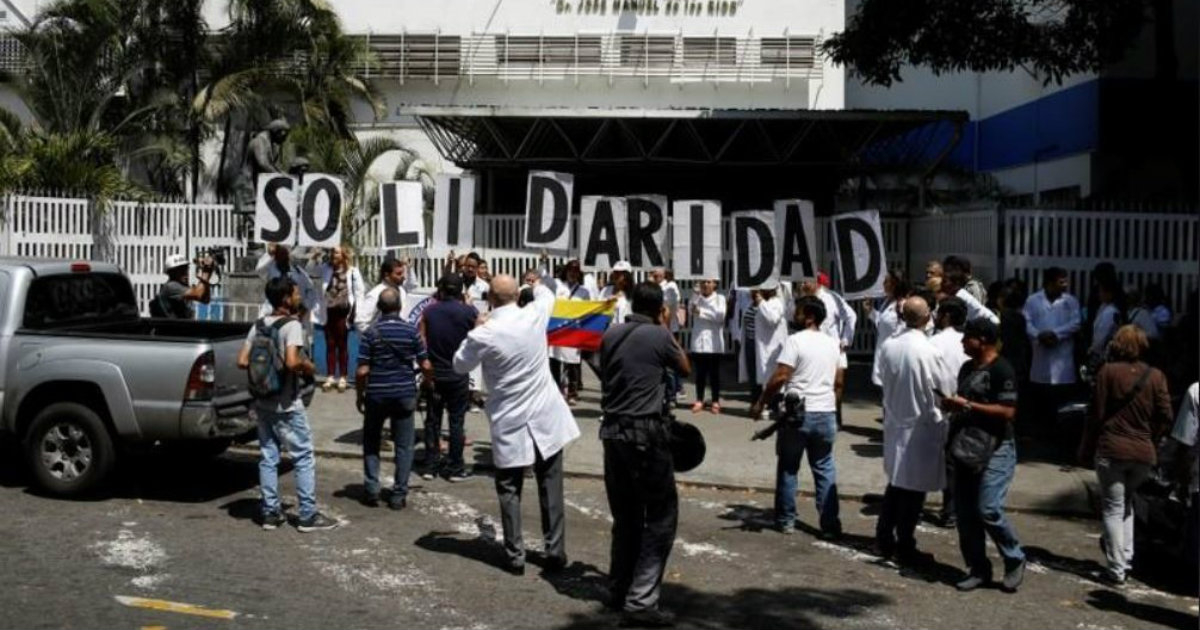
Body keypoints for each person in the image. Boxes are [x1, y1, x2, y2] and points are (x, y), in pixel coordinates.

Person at [453, 274, 580, 576]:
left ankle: (515, 554)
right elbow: (547, 295)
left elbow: (459, 364)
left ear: (491, 299)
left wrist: (476, 327)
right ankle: (555, 551)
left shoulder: (485, 333)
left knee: (509, 488)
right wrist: (532, 284)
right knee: (551, 484)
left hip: (511, 418)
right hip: (545, 414)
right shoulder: (534, 314)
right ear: (516, 295)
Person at [599, 281, 691, 627]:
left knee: (625, 517)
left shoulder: (611, 335)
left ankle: (618, 589)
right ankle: (641, 600)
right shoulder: (659, 335)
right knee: (661, 516)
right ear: (659, 309)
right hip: (645, 434)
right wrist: (664, 326)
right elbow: (684, 368)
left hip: (612, 433)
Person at [237, 277, 338, 532]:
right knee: (303, 456)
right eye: (295, 293)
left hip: (263, 402)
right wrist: (308, 366)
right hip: (287, 403)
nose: (298, 296)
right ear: (285, 299)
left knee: (268, 457)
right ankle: (307, 515)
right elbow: (293, 362)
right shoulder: (291, 326)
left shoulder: (259, 324)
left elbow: (242, 360)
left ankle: (270, 512)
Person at [1078, 325, 1172, 585]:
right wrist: (1151, 438)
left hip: (1112, 449)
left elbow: (1095, 414)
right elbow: (1165, 415)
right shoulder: (1156, 376)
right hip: (1143, 453)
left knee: (1112, 507)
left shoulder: (1108, 372)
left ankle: (1117, 567)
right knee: (1127, 503)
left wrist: (1086, 447)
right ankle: (1126, 559)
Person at [941, 318, 1027, 592]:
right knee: (965, 515)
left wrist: (966, 404)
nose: (962, 342)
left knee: (988, 508)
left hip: (997, 447)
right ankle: (978, 568)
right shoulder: (967, 368)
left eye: (968, 338)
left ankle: (1014, 558)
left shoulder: (1002, 369)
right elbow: (964, 403)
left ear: (983, 340)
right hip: (966, 447)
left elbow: (1008, 412)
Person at [875, 296, 956, 567]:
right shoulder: (929, 351)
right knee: (914, 490)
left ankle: (884, 538)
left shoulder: (888, 346)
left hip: (896, 420)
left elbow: (881, 378)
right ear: (927, 317)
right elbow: (945, 389)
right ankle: (904, 544)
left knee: (897, 483)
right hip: (921, 426)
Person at [752, 295, 843, 538]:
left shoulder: (795, 341)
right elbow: (839, 382)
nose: (795, 315)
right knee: (824, 467)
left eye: (799, 311)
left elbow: (781, 376)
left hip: (798, 414)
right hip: (825, 412)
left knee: (789, 467)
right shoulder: (833, 343)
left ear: (810, 317)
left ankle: (786, 520)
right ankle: (830, 524)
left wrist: (761, 402)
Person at [355, 288, 433, 509]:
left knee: (371, 442)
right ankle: (399, 494)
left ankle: (371, 490)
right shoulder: (411, 332)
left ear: (379, 308)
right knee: (404, 446)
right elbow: (425, 364)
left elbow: (362, 371)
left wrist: (360, 395)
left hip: (377, 395)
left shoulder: (371, 333)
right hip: (404, 393)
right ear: (400, 307)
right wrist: (427, 382)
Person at [418, 273, 478, 482]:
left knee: (433, 420)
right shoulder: (469, 312)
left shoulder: (429, 311)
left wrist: (425, 366)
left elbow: (421, 340)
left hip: (434, 374)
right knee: (456, 421)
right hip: (458, 374)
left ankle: (430, 465)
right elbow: (480, 335)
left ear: (441, 288)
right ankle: (455, 466)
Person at [1022, 267, 1082, 439]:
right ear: (1049, 283)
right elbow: (1026, 323)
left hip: (1062, 358)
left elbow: (1076, 323)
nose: (1065, 285)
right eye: (1061, 281)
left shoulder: (1070, 301)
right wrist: (1038, 335)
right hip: (1040, 355)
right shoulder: (1033, 300)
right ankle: (1042, 435)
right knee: (1041, 399)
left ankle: (1060, 437)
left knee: (1062, 401)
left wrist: (1055, 334)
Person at [930, 296, 970, 527]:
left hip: (941, 407)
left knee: (944, 463)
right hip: (965, 405)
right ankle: (955, 509)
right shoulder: (968, 341)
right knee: (960, 462)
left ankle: (950, 511)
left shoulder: (934, 343)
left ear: (945, 316)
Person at [802, 273, 857, 425]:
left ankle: (836, 416)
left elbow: (851, 316)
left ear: (817, 283)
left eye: (807, 281)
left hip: (833, 348)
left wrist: (846, 339)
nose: (803, 284)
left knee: (837, 384)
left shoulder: (833, 298)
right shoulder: (802, 299)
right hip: (811, 348)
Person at [313, 246, 366, 392]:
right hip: (328, 311)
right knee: (330, 344)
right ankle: (330, 376)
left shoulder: (353, 271)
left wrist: (358, 313)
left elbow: (360, 292)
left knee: (342, 344)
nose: (333, 255)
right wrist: (315, 258)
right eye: (332, 252)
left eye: (336, 252)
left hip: (344, 312)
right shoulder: (325, 268)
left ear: (343, 254)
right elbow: (312, 270)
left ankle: (343, 376)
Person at [545, 257, 591, 404]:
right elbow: (545, 280)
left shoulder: (584, 291)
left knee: (573, 362)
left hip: (574, 330)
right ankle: (556, 390)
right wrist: (544, 262)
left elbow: (588, 310)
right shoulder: (557, 286)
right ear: (566, 271)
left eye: (576, 271)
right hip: (557, 329)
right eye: (570, 270)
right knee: (555, 359)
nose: (573, 273)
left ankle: (572, 391)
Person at [256, 244, 319, 338]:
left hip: (296, 317)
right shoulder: (270, 268)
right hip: (272, 315)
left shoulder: (297, 271)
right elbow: (259, 270)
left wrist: (304, 308)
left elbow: (311, 290)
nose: (282, 254)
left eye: (285, 252)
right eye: (280, 251)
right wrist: (269, 254)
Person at [233, 119, 289, 219]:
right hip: (248, 187)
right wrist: (280, 176)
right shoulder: (260, 141)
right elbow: (263, 163)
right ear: (277, 132)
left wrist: (283, 174)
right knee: (253, 222)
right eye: (284, 136)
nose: (284, 140)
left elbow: (273, 166)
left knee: (259, 222)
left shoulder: (271, 144)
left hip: (256, 187)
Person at [864, 270, 910, 390]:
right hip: (884, 354)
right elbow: (883, 323)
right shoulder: (887, 302)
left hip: (896, 357)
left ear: (895, 285)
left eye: (886, 281)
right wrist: (870, 311)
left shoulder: (903, 305)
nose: (883, 284)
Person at [689, 276, 726, 414]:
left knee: (714, 374)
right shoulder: (697, 296)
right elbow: (691, 310)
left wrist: (702, 312)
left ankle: (715, 400)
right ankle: (699, 399)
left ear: (715, 284)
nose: (705, 284)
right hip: (699, 341)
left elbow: (720, 316)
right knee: (700, 374)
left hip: (714, 342)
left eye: (709, 282)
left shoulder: (720, 298)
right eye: (703, 282)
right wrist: (695, 294)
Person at [753, 282, 789, 421]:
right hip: (764, 346)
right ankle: (769, 405)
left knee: (776, 379)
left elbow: (772, 319)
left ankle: (774, 406)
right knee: (766, 378)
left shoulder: (777, 302)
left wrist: (761, 302)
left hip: (775, 348)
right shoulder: (765, 303)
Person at [651, 266, 684, 400]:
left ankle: (673, 392)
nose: (655, 277)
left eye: (657, 275)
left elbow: (670, 303)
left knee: (671, 362)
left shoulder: (670, 287)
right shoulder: (653, 287)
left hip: (670, 329)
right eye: (653, 274)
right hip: (656, 329)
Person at [355, 258, 410, 334]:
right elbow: (360, 321)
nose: (403, 277)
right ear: (387, 275)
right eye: (398, 274)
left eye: (402, 273)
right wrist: (376, 338)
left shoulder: (402, 291)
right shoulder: (375, 294)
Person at [152, 253, 212, 319]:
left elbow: (205, 299)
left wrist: (207, 275)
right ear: (172, 273)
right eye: (180, 270)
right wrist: (206, 272)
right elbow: (198, 294)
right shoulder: (171, 287)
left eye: (186, 269)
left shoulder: (182, 287)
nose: (185, 273)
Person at [600, 261, 634, 326]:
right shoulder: (605, 290)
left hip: (625, 330)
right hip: (608, 330)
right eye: (615, 272)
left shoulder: (633, 294)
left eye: (620, 273)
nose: (616, 275)